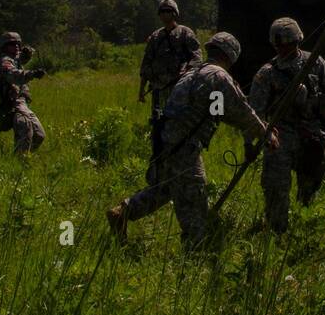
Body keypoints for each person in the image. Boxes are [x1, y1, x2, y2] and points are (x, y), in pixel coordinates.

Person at [108, 32, 277, 249]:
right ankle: (195, 250)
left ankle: (123, 212)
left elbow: (220, 110)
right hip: (184, 146)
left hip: (166, 141)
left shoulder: (192, 73)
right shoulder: (218, 76)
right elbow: (241, 112)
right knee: (194, 196)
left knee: (167, 188)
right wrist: (266, 134)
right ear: (231, 56)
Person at [245, 17, 325, 233]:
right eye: (279, 45)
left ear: (298, 41)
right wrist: (251, 142)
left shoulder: (315, 62)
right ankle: (276, 230)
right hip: (280, 136)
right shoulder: (267, 73)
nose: (284, 48)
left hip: (311, 134)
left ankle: (303, 227)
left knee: (310, 184)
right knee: (276, 186)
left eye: (288, 44)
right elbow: (255, 111)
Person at [139, 0, 202, 168]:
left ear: (175, 13)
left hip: (179, 89)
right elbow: (146, 63)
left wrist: (186, 72)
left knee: (179, 124)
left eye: (168, 10)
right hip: (159, 90)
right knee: (158, 125)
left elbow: (197, 56)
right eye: (162, 11)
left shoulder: (185, 33)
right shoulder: (156, 36)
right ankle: (159, 160)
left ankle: (181, 159)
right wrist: (141, 88)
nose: (165, 14)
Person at [0, 32, 46, 155]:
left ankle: (25, 158)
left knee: (39, 135)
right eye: (12, 44)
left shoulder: (14, 59)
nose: (16, 46)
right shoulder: (5, 62)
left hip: (23, 103)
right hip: (13, 104)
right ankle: (20, 163)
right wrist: (32, 74)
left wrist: (28, 51)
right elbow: (14, 76)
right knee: (25, 134)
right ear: (5, 47)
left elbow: (22, 58)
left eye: (18, 44)